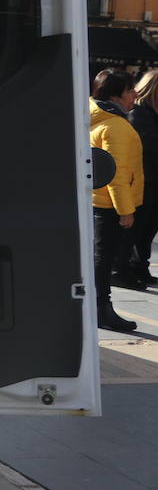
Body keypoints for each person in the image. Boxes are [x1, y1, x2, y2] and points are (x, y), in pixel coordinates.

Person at [90, 68, 141, 333]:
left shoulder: (95, 116)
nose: (135, 94)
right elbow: (117, 174)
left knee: (99, 259)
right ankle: (102, 310)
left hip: (96, 201)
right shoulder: (115, 125)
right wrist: (126, 211)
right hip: (109, 206)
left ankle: (99, 309)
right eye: (130, 90)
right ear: (115, 95)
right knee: (104, 259)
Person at [126, 70, 158, 289]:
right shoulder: (139, 114)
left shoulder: (151, 113)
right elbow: (147, 145)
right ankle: (129, 268)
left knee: (149, 228)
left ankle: (140, 266)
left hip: (153, 179)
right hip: (143, 181)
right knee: (139, 228)